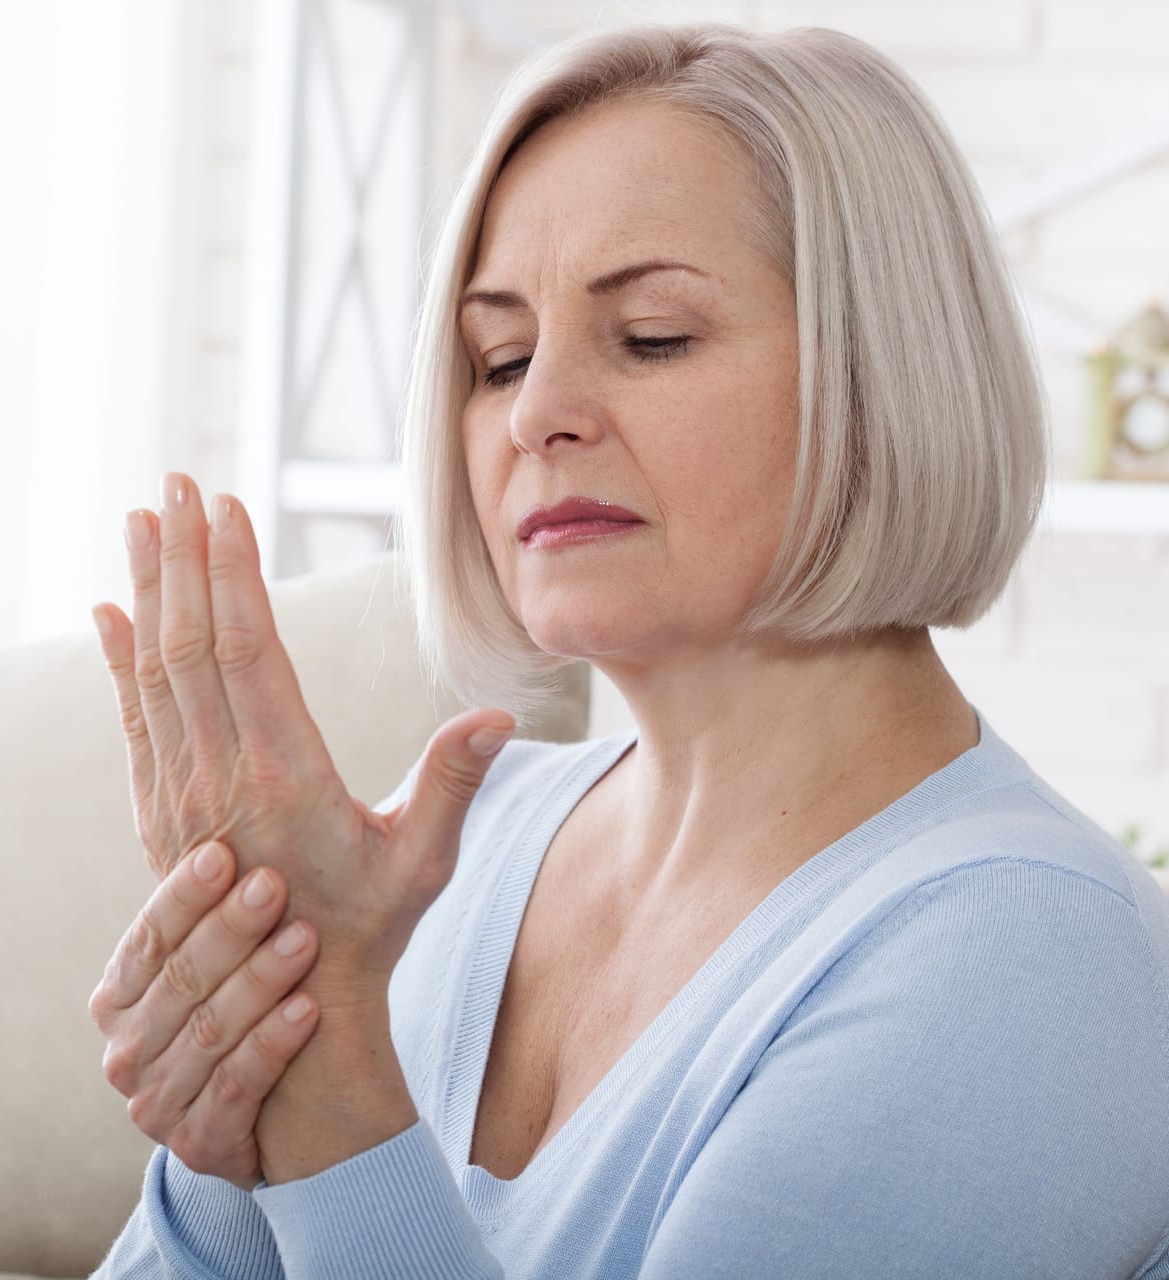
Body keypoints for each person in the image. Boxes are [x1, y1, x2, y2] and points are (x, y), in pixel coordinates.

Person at [82, 20, 1169, 1280]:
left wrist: (322, 1075)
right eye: (498, 358)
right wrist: (241, 1107)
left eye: (652, 336)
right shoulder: (456, 845)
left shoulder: (1024, 957)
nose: (537, 411)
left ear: (884, 377)